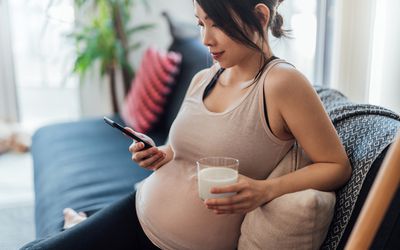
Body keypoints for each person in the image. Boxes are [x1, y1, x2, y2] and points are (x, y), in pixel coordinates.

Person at [22, 0, 351, 249]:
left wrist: (265, 191)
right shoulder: (205, 78)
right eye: (200, 24)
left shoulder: (282, 83)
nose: (206, 39)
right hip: (137, 210)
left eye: (216, 25)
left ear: (261, 17)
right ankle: (82, 223)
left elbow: (336, 166)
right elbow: (184, 151)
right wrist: (159, 154)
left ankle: (80, 224)